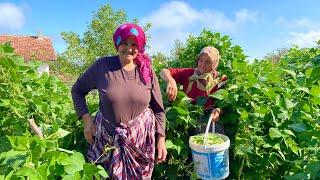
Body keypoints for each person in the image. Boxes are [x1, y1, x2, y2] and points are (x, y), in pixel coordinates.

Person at [71, 23, 167, 179]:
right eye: (124, 43)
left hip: (139, 144)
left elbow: (158, 109)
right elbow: (77, 91)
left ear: (140, 46)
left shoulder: (146, 70)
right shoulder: (102, 66)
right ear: (117, 43)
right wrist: (87, 119)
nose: (129, 48)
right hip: (107, 141)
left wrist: (161, 139)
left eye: (134, 44)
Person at [160, 46, 227, 134]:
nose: (202, 64)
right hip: (187, 114)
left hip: (208, 117)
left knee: (211, 139)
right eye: (201, 60)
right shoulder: (189, 73)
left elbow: (224, 104)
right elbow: (163, 72)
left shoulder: (220, 79)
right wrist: (171, 80)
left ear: (214, 64)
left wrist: (218, 110)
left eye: (208, 62)